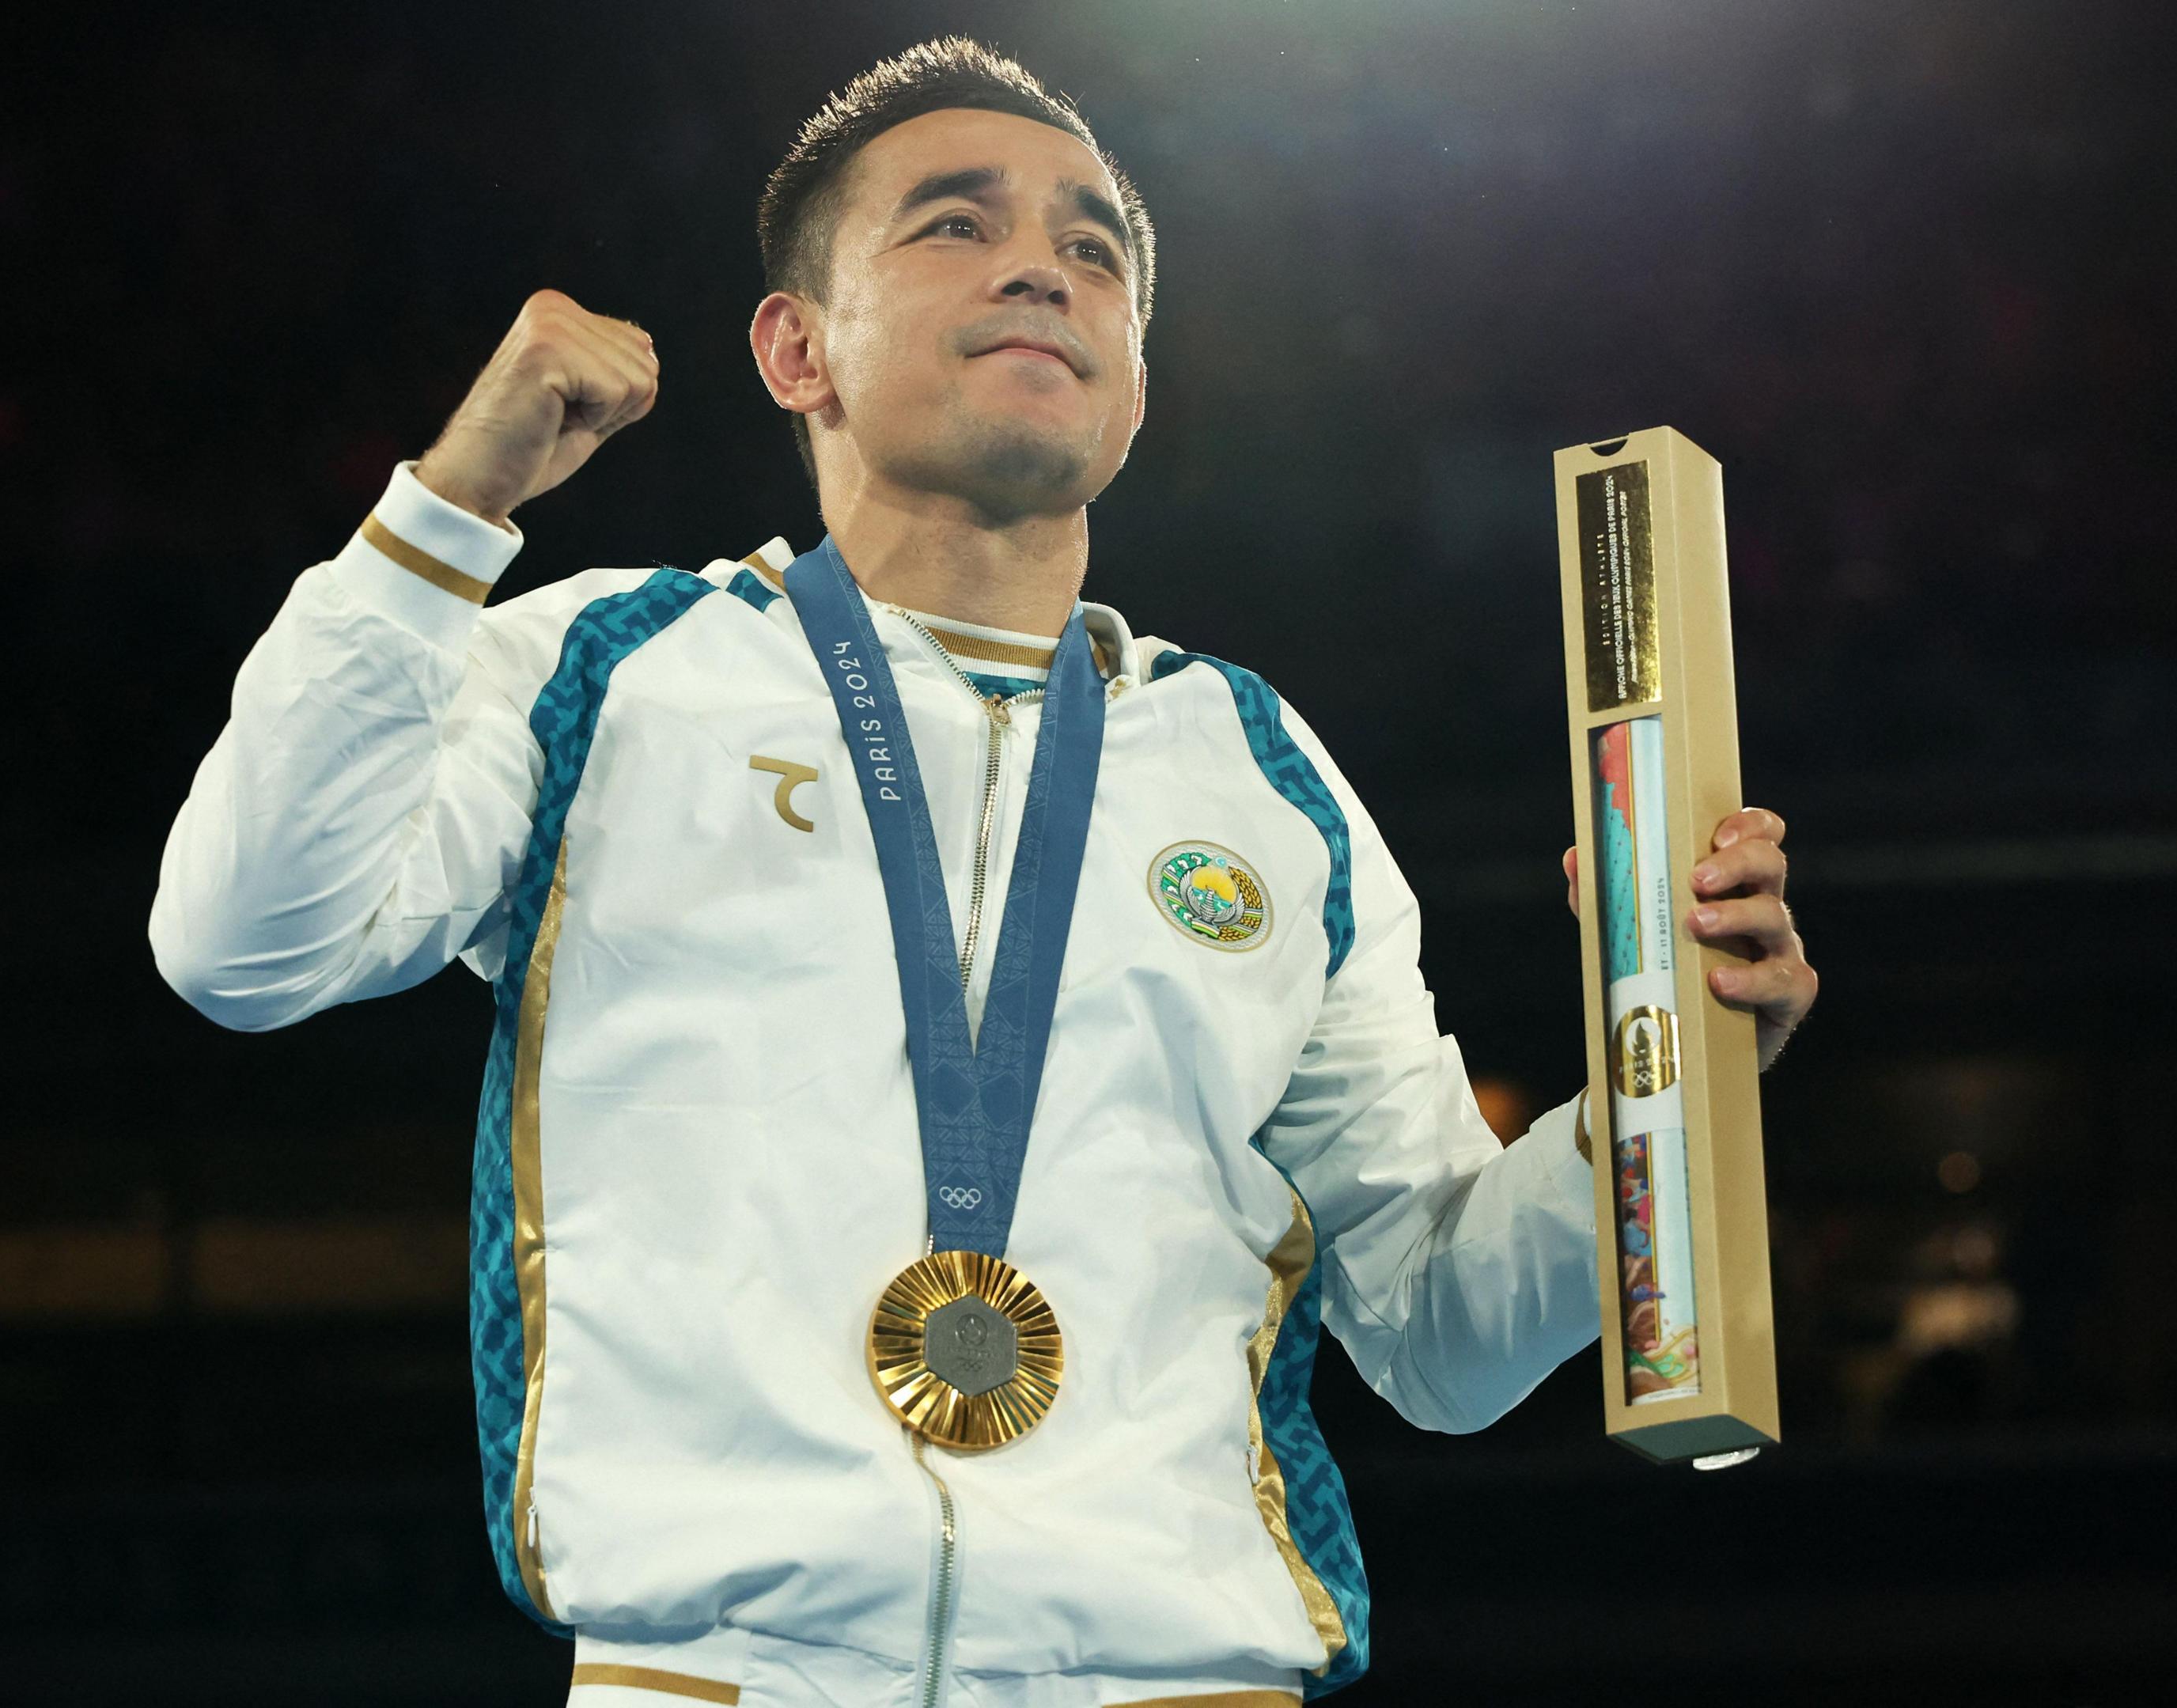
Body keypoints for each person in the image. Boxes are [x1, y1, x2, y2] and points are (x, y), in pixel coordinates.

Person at [150, 37, 1818, 1706]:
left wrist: (1664, 1074)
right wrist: (459, 502)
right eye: (955, 222)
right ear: (796, 349)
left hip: (1180, 1678)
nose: (1044, 263)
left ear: (1135, 378)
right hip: (731, 1679)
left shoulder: (1257, 770)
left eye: (1095, 250)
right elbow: (245, 938)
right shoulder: (611, 673)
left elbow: (1446, 1334)